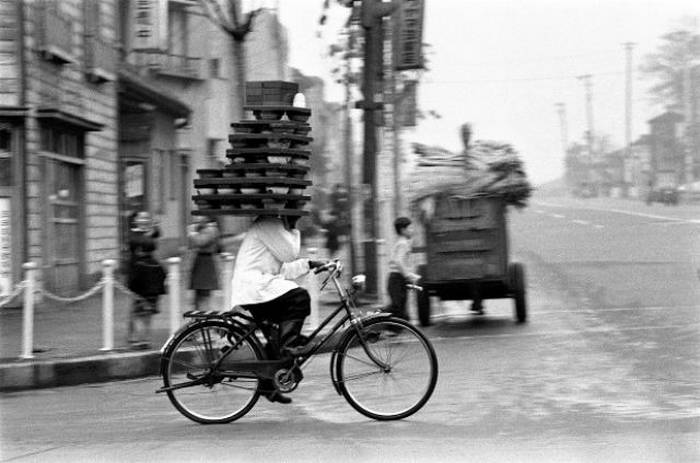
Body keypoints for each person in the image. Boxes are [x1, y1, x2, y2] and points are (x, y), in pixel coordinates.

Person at [230, 215, 325, 404]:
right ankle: (290, 346)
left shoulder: (271, 227)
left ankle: (267, 386)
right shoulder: (269, 223)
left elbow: (283, 269)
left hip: (258, 287)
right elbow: (290, 253)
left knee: (275, 335)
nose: (297, 217)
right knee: (300, 297)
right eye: (295, 214)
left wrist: (310, 264)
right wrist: (293, 230)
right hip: (255, 288)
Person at [127, 211, 166, 349]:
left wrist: (154, 229)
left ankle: (144, 339)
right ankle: (137, 339)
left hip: (152, 277)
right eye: (141, 217)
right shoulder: (133, 234)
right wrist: (151, 233)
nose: (144, 220)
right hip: (139, 278)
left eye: (146, 218)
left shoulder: (147, 233)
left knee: (149, 310)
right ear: (135, 220)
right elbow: (149, 243)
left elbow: (156, 236)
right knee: (139, 309)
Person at [386, 217, 420, 324]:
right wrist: (408, 276)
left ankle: (395, 330)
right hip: (397, 279)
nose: (412, 231)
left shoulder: (402, 242)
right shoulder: (403, 243)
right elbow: (399, 261)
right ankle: (375, 318)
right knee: (397, 307)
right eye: (410, 228)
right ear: (403, 230)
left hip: (397, 278)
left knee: (400, 308)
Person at [187, 217, 220, 311]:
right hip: (200, 261)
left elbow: (200, 242)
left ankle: (205, 317)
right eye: (196, 221)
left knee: (204, 293)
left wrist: (192, 233)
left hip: (206, 263)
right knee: (198, 294)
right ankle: (199, 316)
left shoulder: (211, 230)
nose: (197, 223)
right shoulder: (202, 229)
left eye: (199, 221)